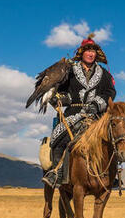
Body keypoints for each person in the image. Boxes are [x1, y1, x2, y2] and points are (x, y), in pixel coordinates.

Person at [41, 34, 116, 188]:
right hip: (72, 115)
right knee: (58, 137)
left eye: (93, 51)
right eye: (87, 50)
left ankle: (112, 174)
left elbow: (110, 92)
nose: (90, 53)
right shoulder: (69, 71)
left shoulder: (105, 75)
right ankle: (57, 172)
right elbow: (62, 91)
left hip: (96, 116)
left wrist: (97, 104)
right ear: (81, 53)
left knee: (113, 138)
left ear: (96, 54)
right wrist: (59, 99)